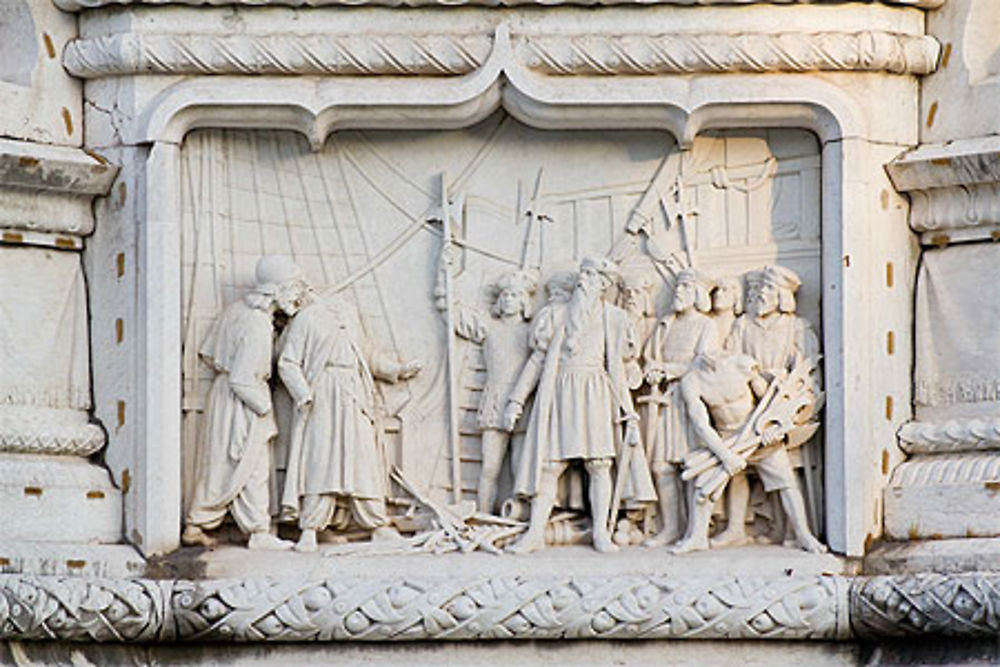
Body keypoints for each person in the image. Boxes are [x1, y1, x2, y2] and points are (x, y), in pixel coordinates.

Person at [503, 257, 646, 553]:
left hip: (596, 392)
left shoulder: (614, 318)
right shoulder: (555, 315)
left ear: (604, 285)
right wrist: (516, 400)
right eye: (584, 273)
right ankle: (535, 533)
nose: (585, 280)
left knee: (599, 465)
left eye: (592, 275)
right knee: (549, 466)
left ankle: (600, 534)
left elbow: (618, 371)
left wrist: (628, 412)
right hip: (560, 392)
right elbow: (537, 362)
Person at [277, 278, 421, 553]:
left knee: (362, 459)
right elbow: (287, 362)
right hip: (324, 393)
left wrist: (398, 370)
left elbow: (366, 356)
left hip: (354, 393)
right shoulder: (305, 320)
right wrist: (303, 393)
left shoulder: (347, 314)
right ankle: (309, 529)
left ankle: (377, 525)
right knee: (321, 460)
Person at [182, 256, 300, 551]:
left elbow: (209, 353)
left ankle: (197, 523)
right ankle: (258, 530)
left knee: (220, 465)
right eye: (295, 289)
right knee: (252, 465)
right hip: (244, 400)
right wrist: (264, 408)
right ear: (278, 291)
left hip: (223, 397)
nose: (299, 296)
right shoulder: (258, 325)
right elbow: (242, 379)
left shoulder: (235, 311)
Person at [670, 352, 825, 554]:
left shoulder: (741, 364)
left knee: (787, 484)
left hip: (759, 436)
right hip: (727, 441)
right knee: (704, 484)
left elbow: (769, 402)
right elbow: (700, 423)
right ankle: (697, 537)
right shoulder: (692, 381)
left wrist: (772, 429)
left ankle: (804, 535)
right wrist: (725, 456)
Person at [713, 265, 820, 547]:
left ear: (782, 295)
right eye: (757, 289)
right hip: (745, 410)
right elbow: (728, 364)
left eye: (768, 289)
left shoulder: (797, 327)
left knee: (782, 475)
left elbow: (808, 375)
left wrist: (786, 415)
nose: (760, 295)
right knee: (737, 468)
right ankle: (736, 527)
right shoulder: (742, 325)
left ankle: (800, 533)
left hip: (777, 413)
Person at [435, 255, 538, 514]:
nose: (507, 300)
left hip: (524, 401)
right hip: (494, 399)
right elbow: (451, 312)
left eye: (514, 295)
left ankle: (519, 517)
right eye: (504, 296)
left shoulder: (532, 331)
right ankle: (483, 514)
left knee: (520, 468)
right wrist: (443, 270)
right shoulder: (489, 327)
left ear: (524, 301)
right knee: (489, 467)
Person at [639, 268, 718, 546]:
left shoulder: (706, 325)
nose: (678, 294)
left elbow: (704, 363)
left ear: (697, 294)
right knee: (661, 466)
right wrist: (652, 369)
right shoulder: (667, 323)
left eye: (684, 289)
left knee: (691, 465)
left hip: (689, 400)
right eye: (676, 289)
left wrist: (669, 370)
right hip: (663, 401)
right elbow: (649, 355)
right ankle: (670, 527)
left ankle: (695, 531)